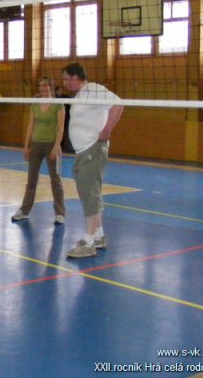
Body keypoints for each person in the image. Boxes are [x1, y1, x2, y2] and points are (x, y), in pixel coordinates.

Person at [62, 62, 123, 259]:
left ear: (74, 77)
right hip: (83, 151)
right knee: (91, 193)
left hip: (92, 149)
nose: (64, 83)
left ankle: (88, 241)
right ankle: (98, 235)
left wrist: (106, 131)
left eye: (66, 79)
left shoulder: (93, 90)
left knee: (89, 194)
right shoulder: (80, 96)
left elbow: (118, 104)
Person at [11, 77, 65, 225]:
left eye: (45, 86)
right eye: (40, 86)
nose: (42, 88)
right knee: (31, 180)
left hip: (51, 145)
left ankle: (60, 213)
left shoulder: (58, 105)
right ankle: (24, 211)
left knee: (56, 180)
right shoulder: (35, 104)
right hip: (36, 145)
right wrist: (26, 146)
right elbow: (30, 126)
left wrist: (56, 146)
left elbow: (61, 127)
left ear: (51, 87)